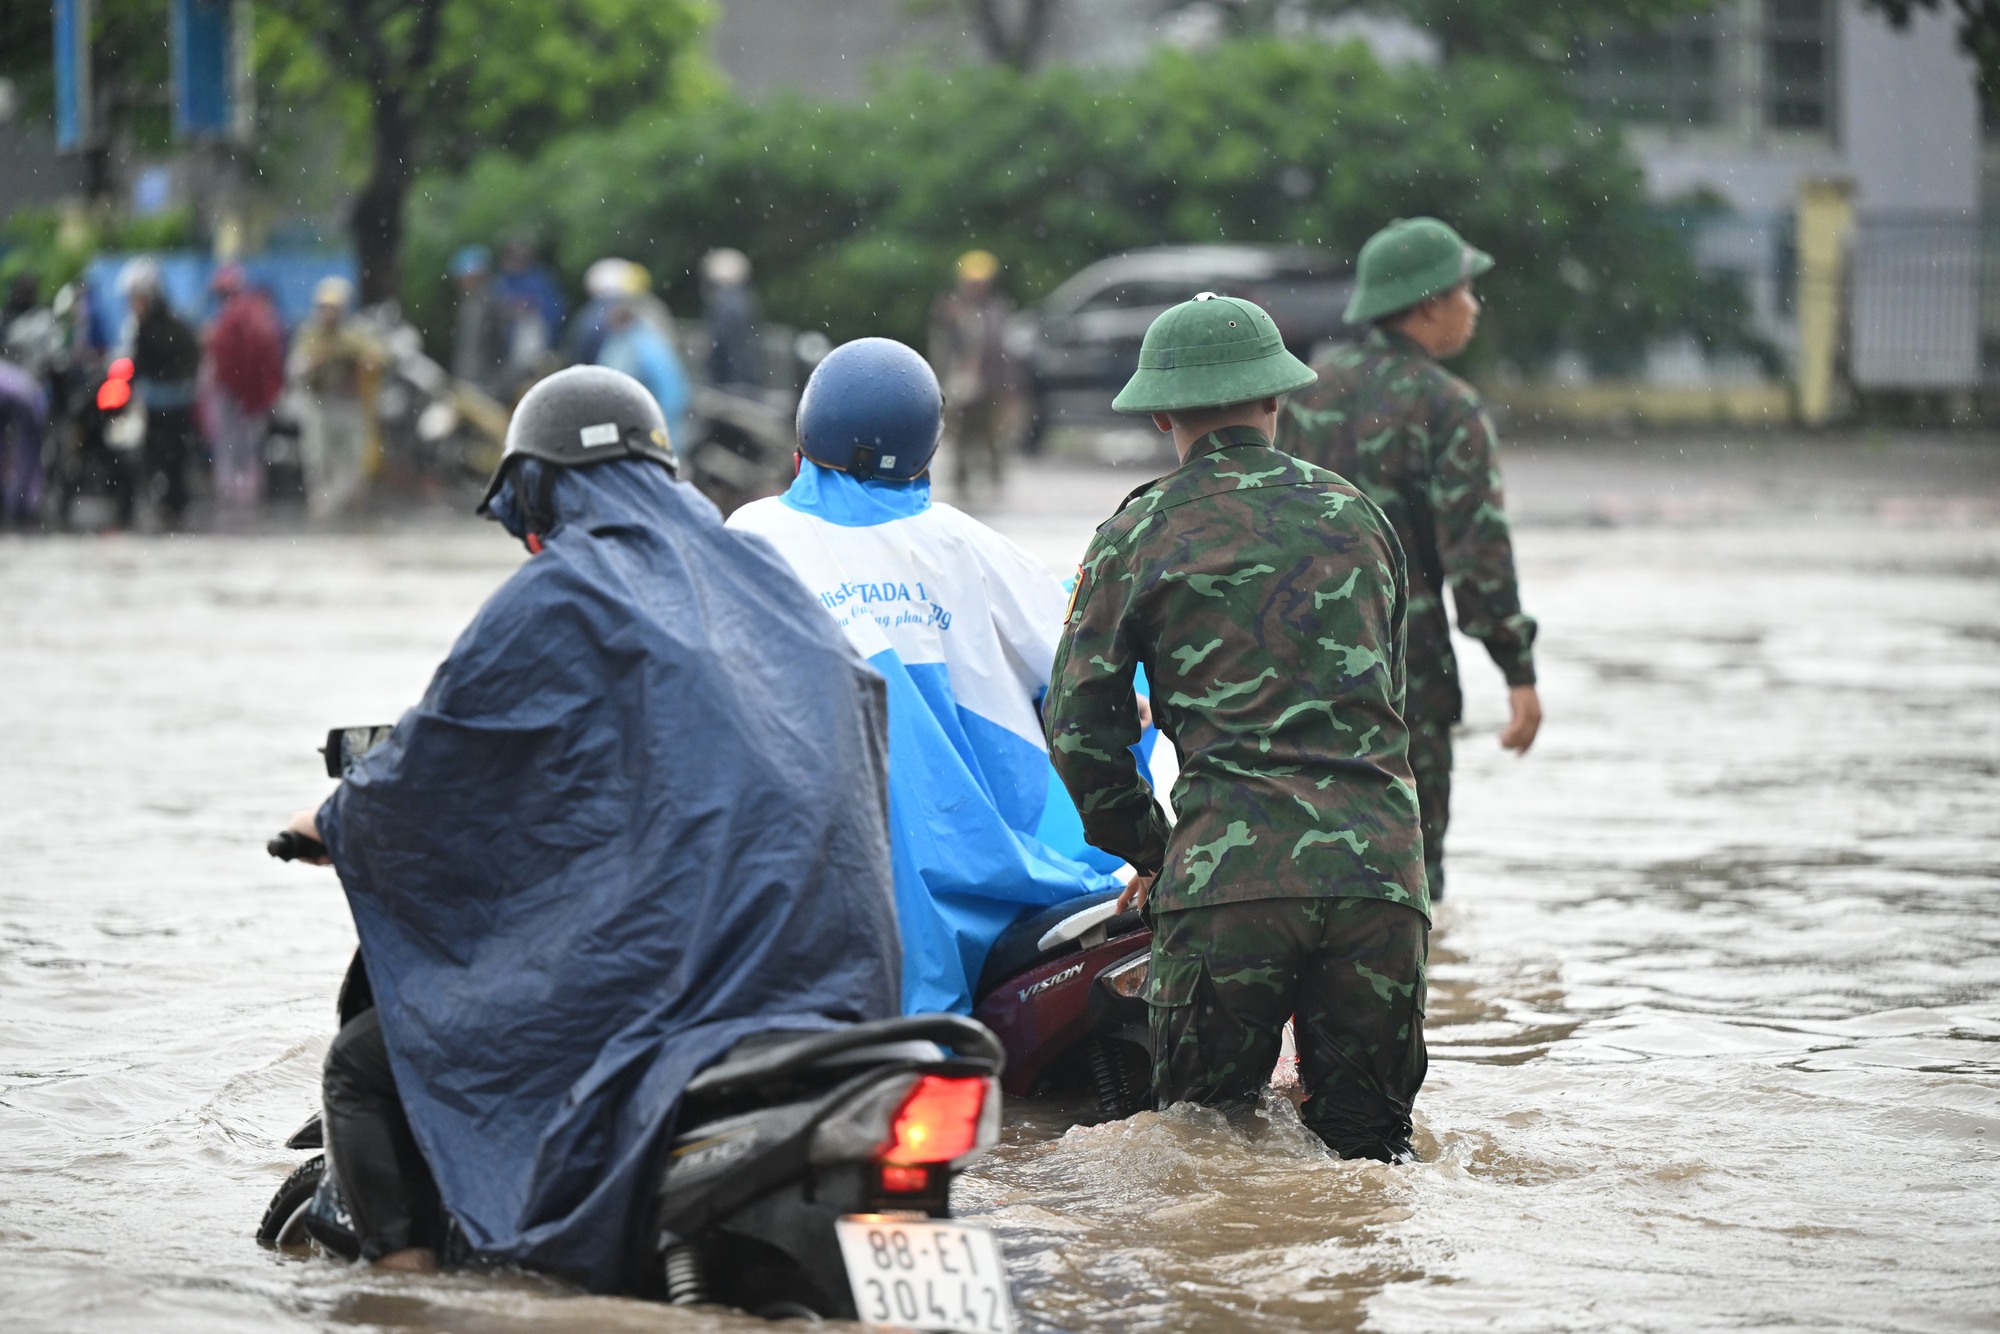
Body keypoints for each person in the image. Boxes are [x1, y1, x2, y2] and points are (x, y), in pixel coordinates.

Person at [279, 365, 899, 1288]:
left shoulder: (562, 593)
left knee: (366, 1067)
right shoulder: (762, 574)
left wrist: (336, 819)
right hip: (841, 979)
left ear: (539, 490)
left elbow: (441, 755)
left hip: (693, 979)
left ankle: (407, 1298)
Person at [1044, 293, 1428, 1161]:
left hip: (1231, 882)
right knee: (1371, 1166)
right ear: (1275, 400)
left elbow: (1078, 725)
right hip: (1380, 880)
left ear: (1161, 413)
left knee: (1204, 1157)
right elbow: (1387, 704)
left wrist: (1151, 847)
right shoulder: (1358, 518)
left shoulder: (1136, 531)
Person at [729, 338, 1124, 1015]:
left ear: (805, 434)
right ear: (928, 449)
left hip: (818, 901)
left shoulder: (751, 536)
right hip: (986, 883)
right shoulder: (967, 543)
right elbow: (1088, 670)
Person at [1277, 217, 1541, 904]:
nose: (1474, 306)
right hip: (1403, 677)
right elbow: (1478, 553)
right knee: (1408, 883)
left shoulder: (1301, 393)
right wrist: (1517, 669)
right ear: (1428, 304)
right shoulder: (1447, 406)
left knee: (1307, 867)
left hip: (1291, 669)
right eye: (1464, 290)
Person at [927, 250, 1019, 499]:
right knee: (962, 437)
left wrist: (1008, 386)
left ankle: (995, 482)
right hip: (962, 385)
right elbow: (943, 348)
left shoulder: (997, 310)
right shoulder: (951, 309)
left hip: (991, 384)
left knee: (993, 437)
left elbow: (1004, 349)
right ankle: (962, 482)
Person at [288, 277, 381, 519]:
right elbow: (294, 369)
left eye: (334, 308)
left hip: (350, 405)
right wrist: (310, 363)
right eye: (324, 307)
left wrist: (367, 362)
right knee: (317, 462)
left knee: (352, 465)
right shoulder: (309, 333)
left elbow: (378, 357)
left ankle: (335, 506)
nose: (328, 313)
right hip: (320, 405)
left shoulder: (357, 334)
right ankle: (322, 507)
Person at [202, 265, 286, 512]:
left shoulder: (238, 315)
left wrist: (240, 387)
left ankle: (237, 494)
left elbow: (235, 356)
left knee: (234, 446)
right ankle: (244, 493)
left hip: (236, 392)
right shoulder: (254, 313)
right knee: (245, 447)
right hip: (245, 392)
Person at [125, 262, 202, 528]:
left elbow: (137, 365)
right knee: (175, 460)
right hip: (177, 406)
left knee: (160, 458)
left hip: (162, 408)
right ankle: (174, 502)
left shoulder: (148, 329)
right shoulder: (177, 326)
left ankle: (169, 503)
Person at [595, 280, 691, 452]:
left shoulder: (635, 346)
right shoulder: (644, 339)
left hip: (654, 419)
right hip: (658, 415)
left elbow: (611, 381)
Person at [448, 245, 509, 398]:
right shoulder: (470, 304)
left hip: (485, 385)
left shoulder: (490, 304)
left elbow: (499, 347)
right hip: (469, 383)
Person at [701, 247, 761, 388]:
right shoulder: (745, 299)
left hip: (733, 381)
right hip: (745, 376)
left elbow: (722, 345)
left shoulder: (726, 305)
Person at [0, 353, 47, 528]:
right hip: (29, 398)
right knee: (28, 453)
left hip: (29, 402)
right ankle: (23, 503)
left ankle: (22, 504)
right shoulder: (9, 374)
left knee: (28, 454)